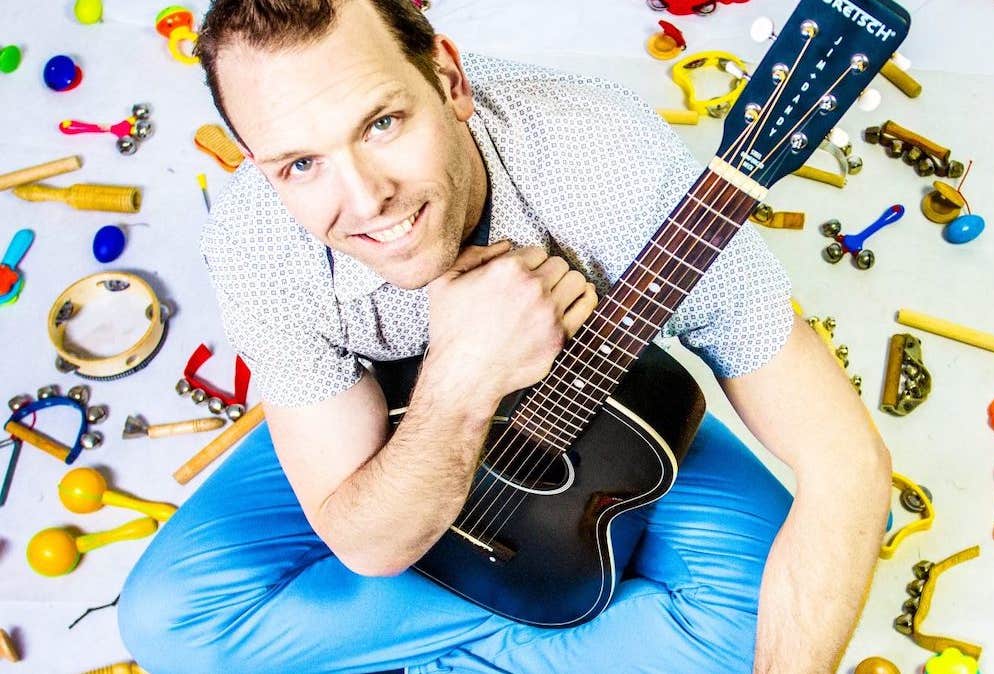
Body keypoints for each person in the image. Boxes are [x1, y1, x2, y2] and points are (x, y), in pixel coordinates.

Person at [117, 1, 891, 671]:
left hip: (602, 413)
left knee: (778, 622)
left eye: (382, 123)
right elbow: (369, 546)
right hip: (388, 422)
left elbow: (846, 463)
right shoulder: (258, 244)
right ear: (258, 164)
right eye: (299, 164)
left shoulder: (609, 163)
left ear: (449, 80)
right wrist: (462, 373)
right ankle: (565, 624)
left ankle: (413, 644)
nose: (365, 201)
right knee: (167, 623)